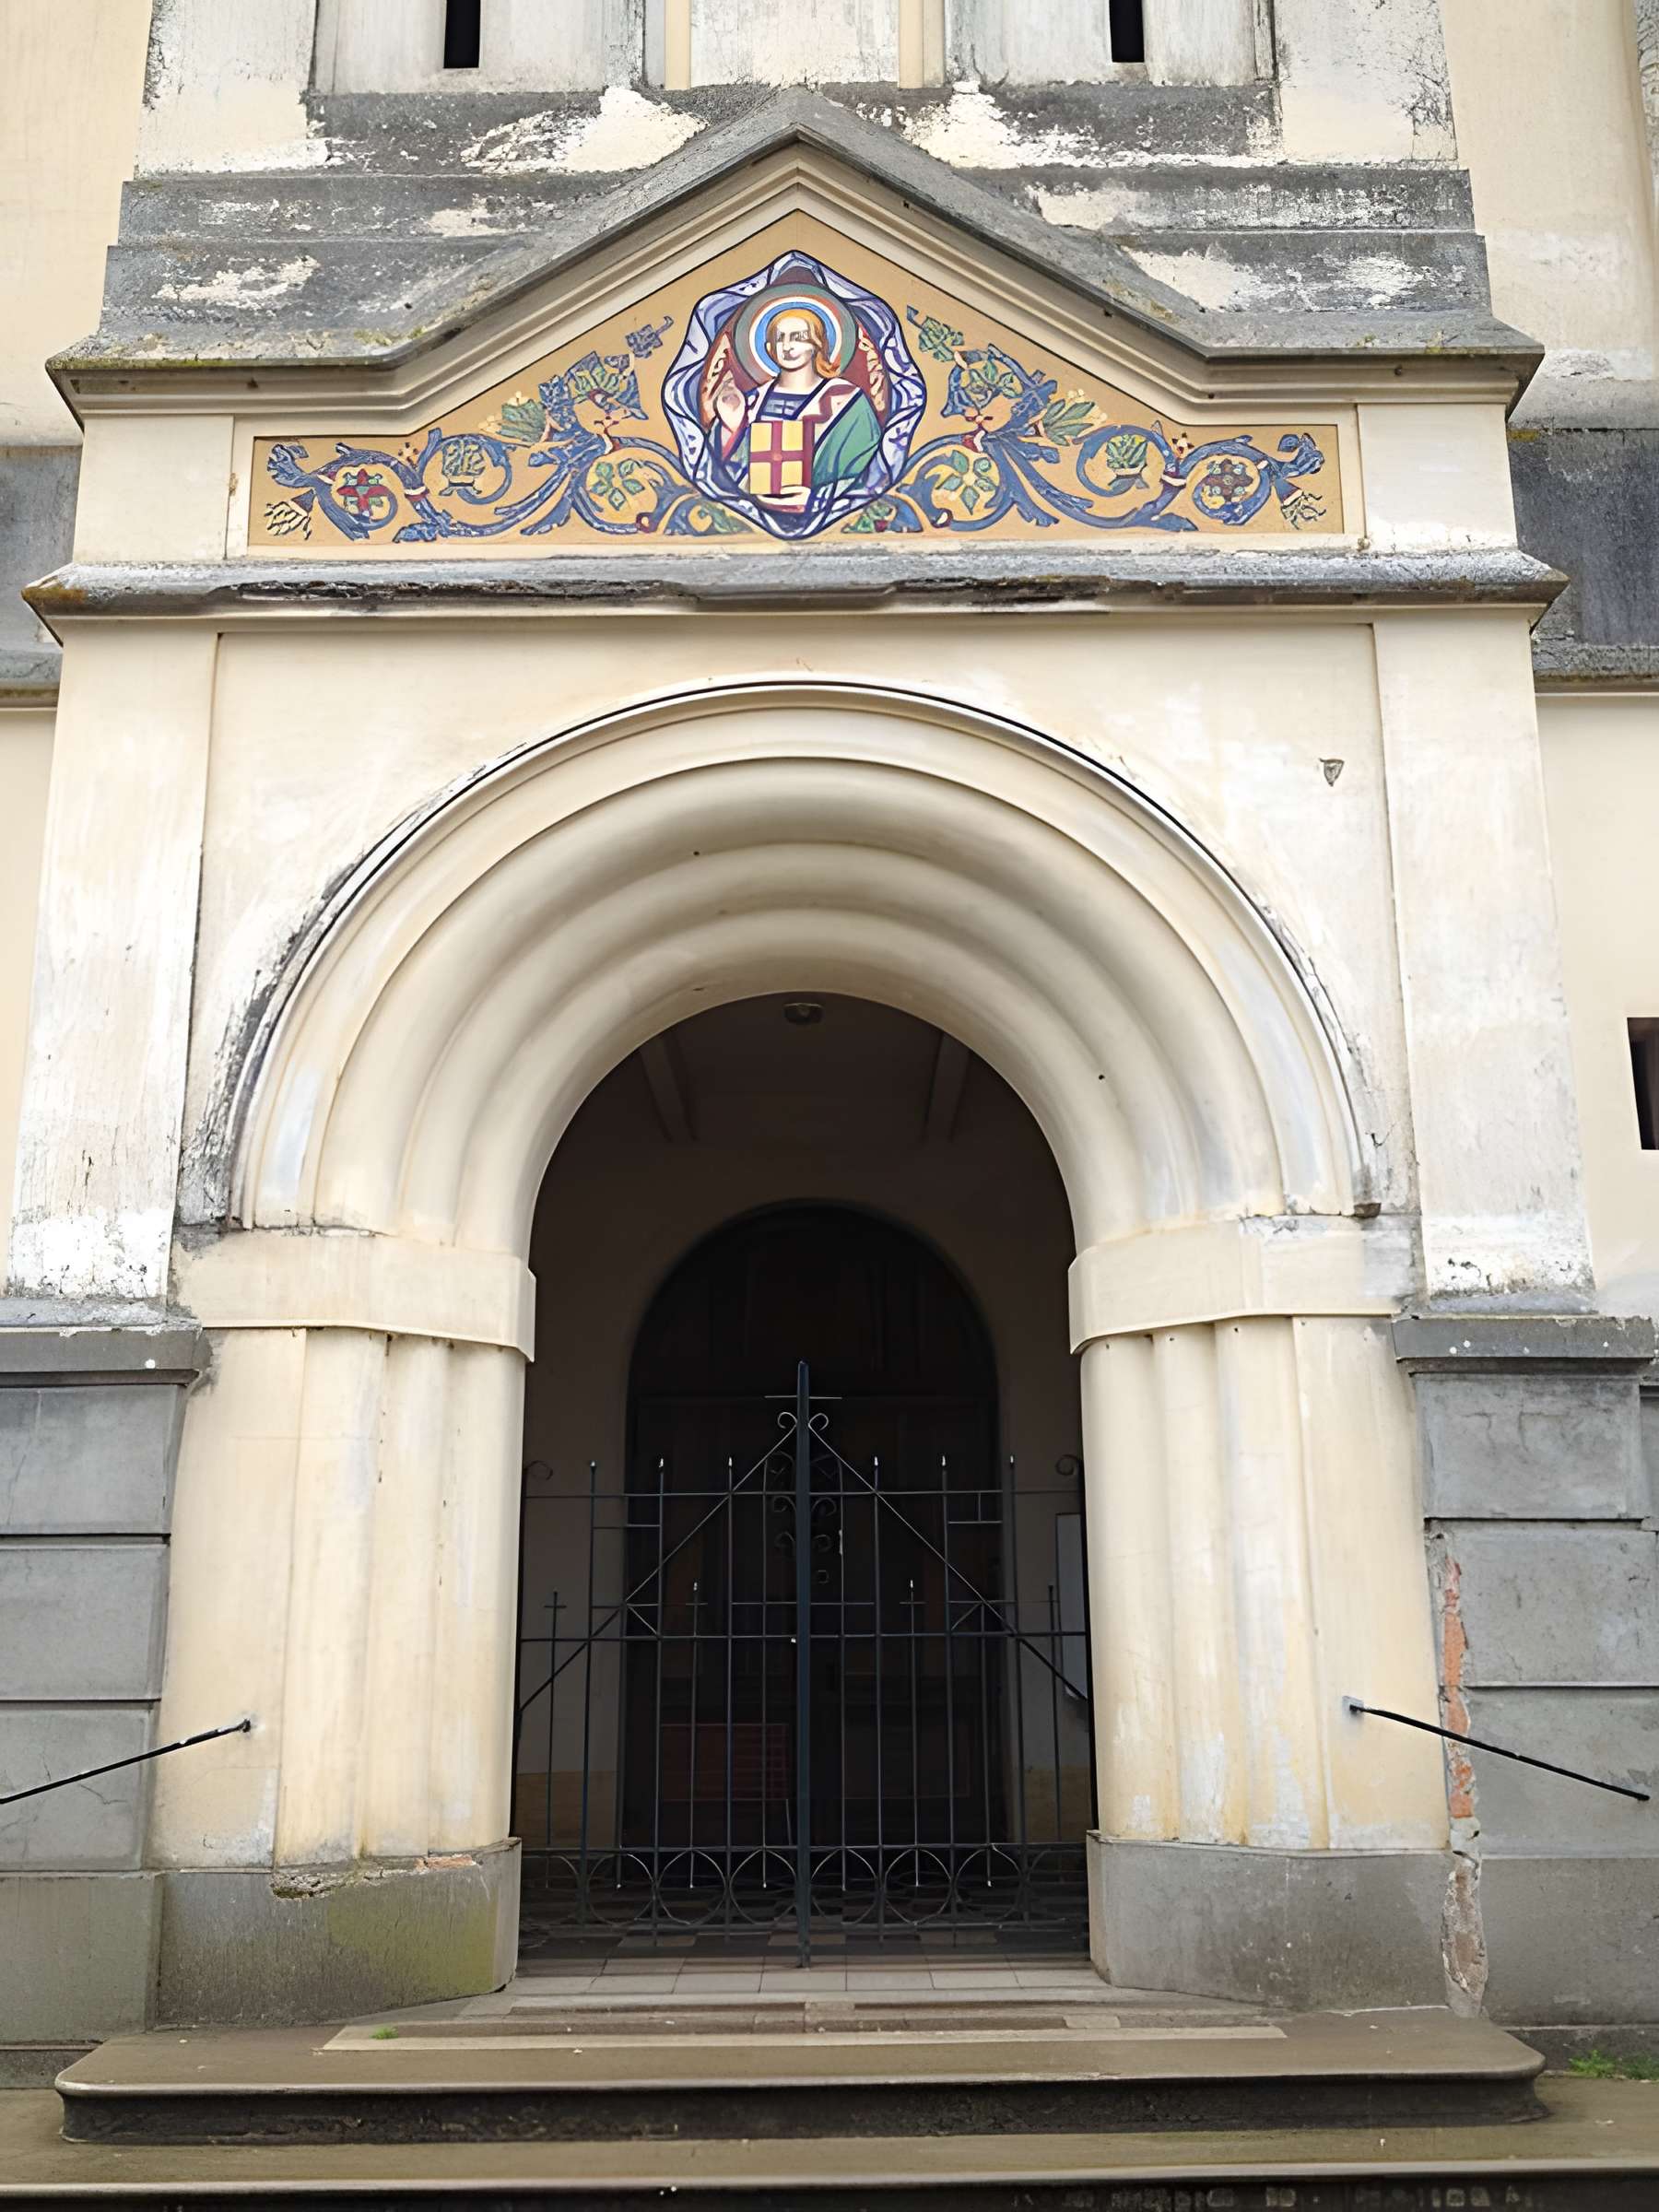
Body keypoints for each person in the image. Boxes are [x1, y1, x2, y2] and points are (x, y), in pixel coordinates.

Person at [711, 308, 882, 514]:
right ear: (769, 348)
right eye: (779, 338)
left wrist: (817, 498)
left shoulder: (848, 401)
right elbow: (716, 470)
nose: (788, 346)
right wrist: (731, 427)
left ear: (817, 344)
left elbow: (874, 473)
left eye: (799, 337)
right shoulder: (750, 403)